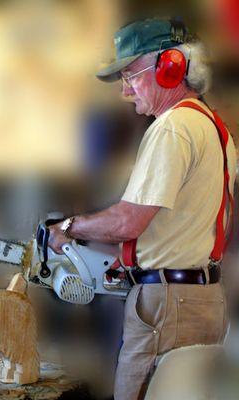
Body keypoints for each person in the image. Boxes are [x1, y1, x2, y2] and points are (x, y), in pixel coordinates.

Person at [48, 18, 237, 400]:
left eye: (131, 75)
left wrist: (68, 227)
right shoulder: (214, 127)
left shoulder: (173, 127)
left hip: (169, 304)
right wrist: (138, 257)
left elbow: (128, 220)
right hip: (203, 298)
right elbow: (180, 224)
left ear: (171, 67)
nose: (125, 91)